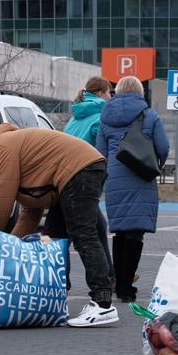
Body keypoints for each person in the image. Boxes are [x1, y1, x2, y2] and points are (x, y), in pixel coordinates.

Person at [0, 124, 117, 327]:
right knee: (52, 240)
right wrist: (10, 247)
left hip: (78, 170)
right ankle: (57, 299)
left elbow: (0, 206)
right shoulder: (15, 150)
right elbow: (31, 213)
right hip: (73, 174)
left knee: (83, 235)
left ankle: (102, 304)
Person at [96, 75, 169, 303]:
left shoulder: (105, 116)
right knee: (135, 232)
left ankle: (120, 284)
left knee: (120, 231)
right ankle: (126, 288)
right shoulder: (149, 114)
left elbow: (100, 151)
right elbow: (163, 147)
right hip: (141, 175)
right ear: (139, 92)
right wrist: (156, 164)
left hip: (116, 178)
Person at [61, 76, 115, 288]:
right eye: (109, 93)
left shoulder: (74, 117)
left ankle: (110, 275)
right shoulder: (101, 116)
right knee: (84, 235)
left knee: (98, 226)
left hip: (64, 175)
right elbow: (101, 147)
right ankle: (103, 282)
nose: (111, 97)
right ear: (101, 94)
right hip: (84, 179)